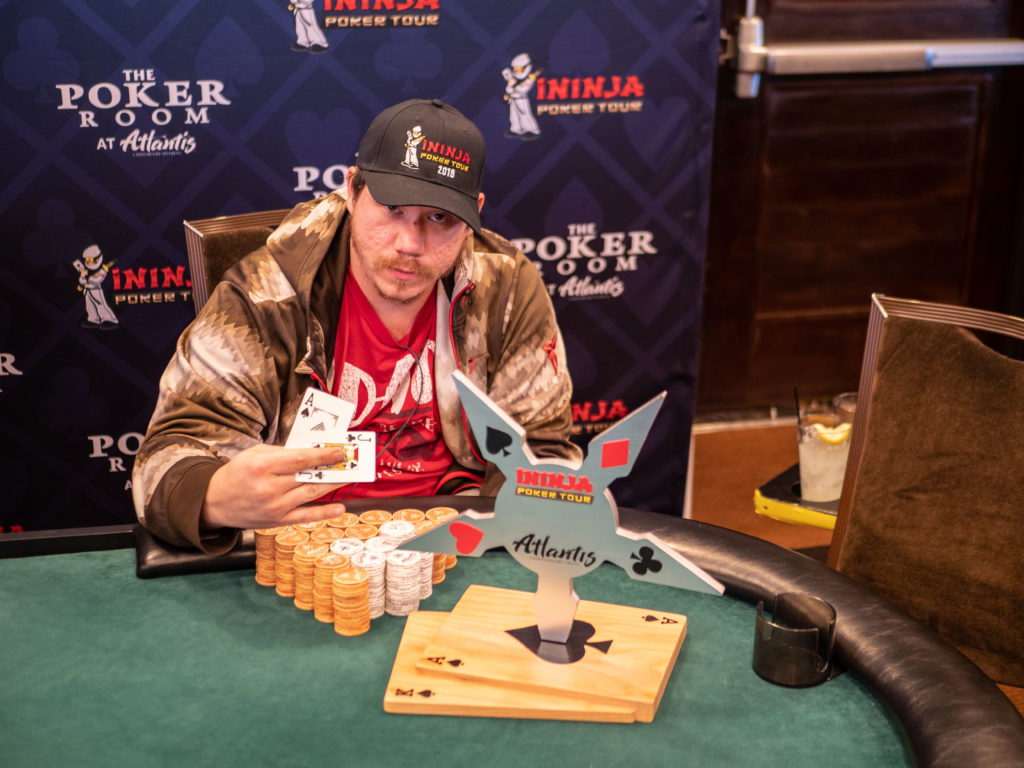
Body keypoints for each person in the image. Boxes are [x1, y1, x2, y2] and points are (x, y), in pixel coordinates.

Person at [132, 98, 580, 554]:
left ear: (472, 217)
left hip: (458, 537)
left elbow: (540, 447)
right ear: (351, 190)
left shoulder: (505, 283)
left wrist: (528, 505)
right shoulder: (267, 294)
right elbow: (167, 456)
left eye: (440, 217)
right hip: (307, 540)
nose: (409, 243)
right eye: (392, 208)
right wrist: (211, 497)